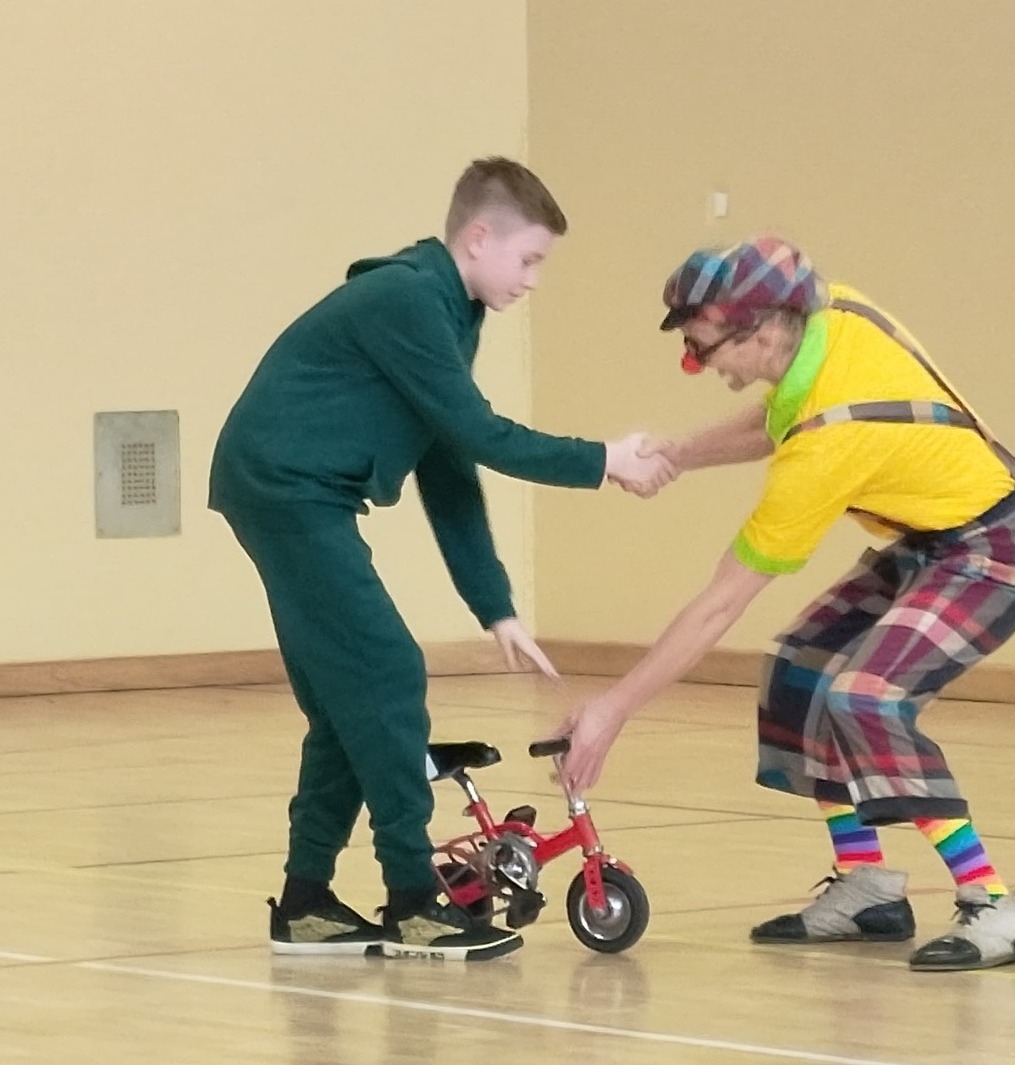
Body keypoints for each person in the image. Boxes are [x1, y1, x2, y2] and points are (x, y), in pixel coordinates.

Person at [209, 157, 675, 961]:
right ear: (479, 237)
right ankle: (414, 902)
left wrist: (493, 603)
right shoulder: (407, 298)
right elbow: (483, 434)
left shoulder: (452, 310)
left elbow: (448, 460)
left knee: (349, 704)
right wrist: (603, 459)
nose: (532, 280)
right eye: (528, 259)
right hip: (284, 489)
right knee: (388, 672)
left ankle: (306, 903)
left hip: (294, 493)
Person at [552, 235, 1015, 972]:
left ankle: (994, 903)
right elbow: (779, 416)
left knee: (866, 697)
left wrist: (612, 708)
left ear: (761, 331)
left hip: (1001, 545)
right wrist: (675, 454)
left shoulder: (828, 445)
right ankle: (868, 885)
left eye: (702, 347)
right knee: (799, 667)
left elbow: (719, 604)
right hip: (932, 536)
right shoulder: (833, 319)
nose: (697, 363)